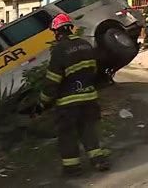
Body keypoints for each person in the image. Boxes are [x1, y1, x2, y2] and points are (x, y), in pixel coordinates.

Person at [39, 13, 110, 177]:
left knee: (67, 135)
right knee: (89, 130)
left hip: (68, 103)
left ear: (57, 32)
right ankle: (99, 161)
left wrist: (44, 101)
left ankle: (72, 168)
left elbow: (52, 80)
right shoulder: (85, 44)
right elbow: (95, 71)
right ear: (70, 28)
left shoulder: (60, 50)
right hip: (89, 98)